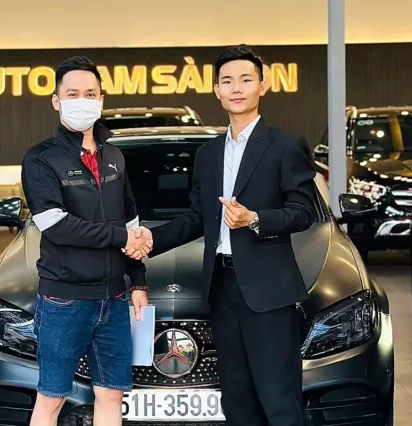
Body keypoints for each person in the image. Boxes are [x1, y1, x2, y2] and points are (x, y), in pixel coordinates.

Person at [125, 44, 316, 425]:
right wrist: (151, 240)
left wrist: (254, 218)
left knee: (279, 401)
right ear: (216, 90)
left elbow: (303, 211)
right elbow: (199, 217)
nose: (236, 88)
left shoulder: (285, 145)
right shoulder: (209, 153)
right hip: (221, 288)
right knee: (237, 402)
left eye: (245, 80)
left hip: (268, 292)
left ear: (262, 86)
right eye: (227, 81)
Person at [21, 55, 152, 426]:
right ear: (56, 101)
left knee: (111, 394)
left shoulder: (115, 156)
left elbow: (131, 220)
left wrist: (138, 280)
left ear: (101, 100)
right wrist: (122, 236)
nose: (83, 100)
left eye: (90, 93)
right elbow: (57, 226)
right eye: (73, 93)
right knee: (52, 398)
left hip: (114, 298)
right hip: (65, 299)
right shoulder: (41, 159)